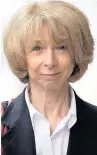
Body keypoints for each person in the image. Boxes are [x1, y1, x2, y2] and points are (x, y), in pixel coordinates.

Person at [1, 1, 97, 155]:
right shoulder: (1, 122)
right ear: (21, 56)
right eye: (37, 48)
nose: (50, 62)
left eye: (62, 47)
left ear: (77, 54)